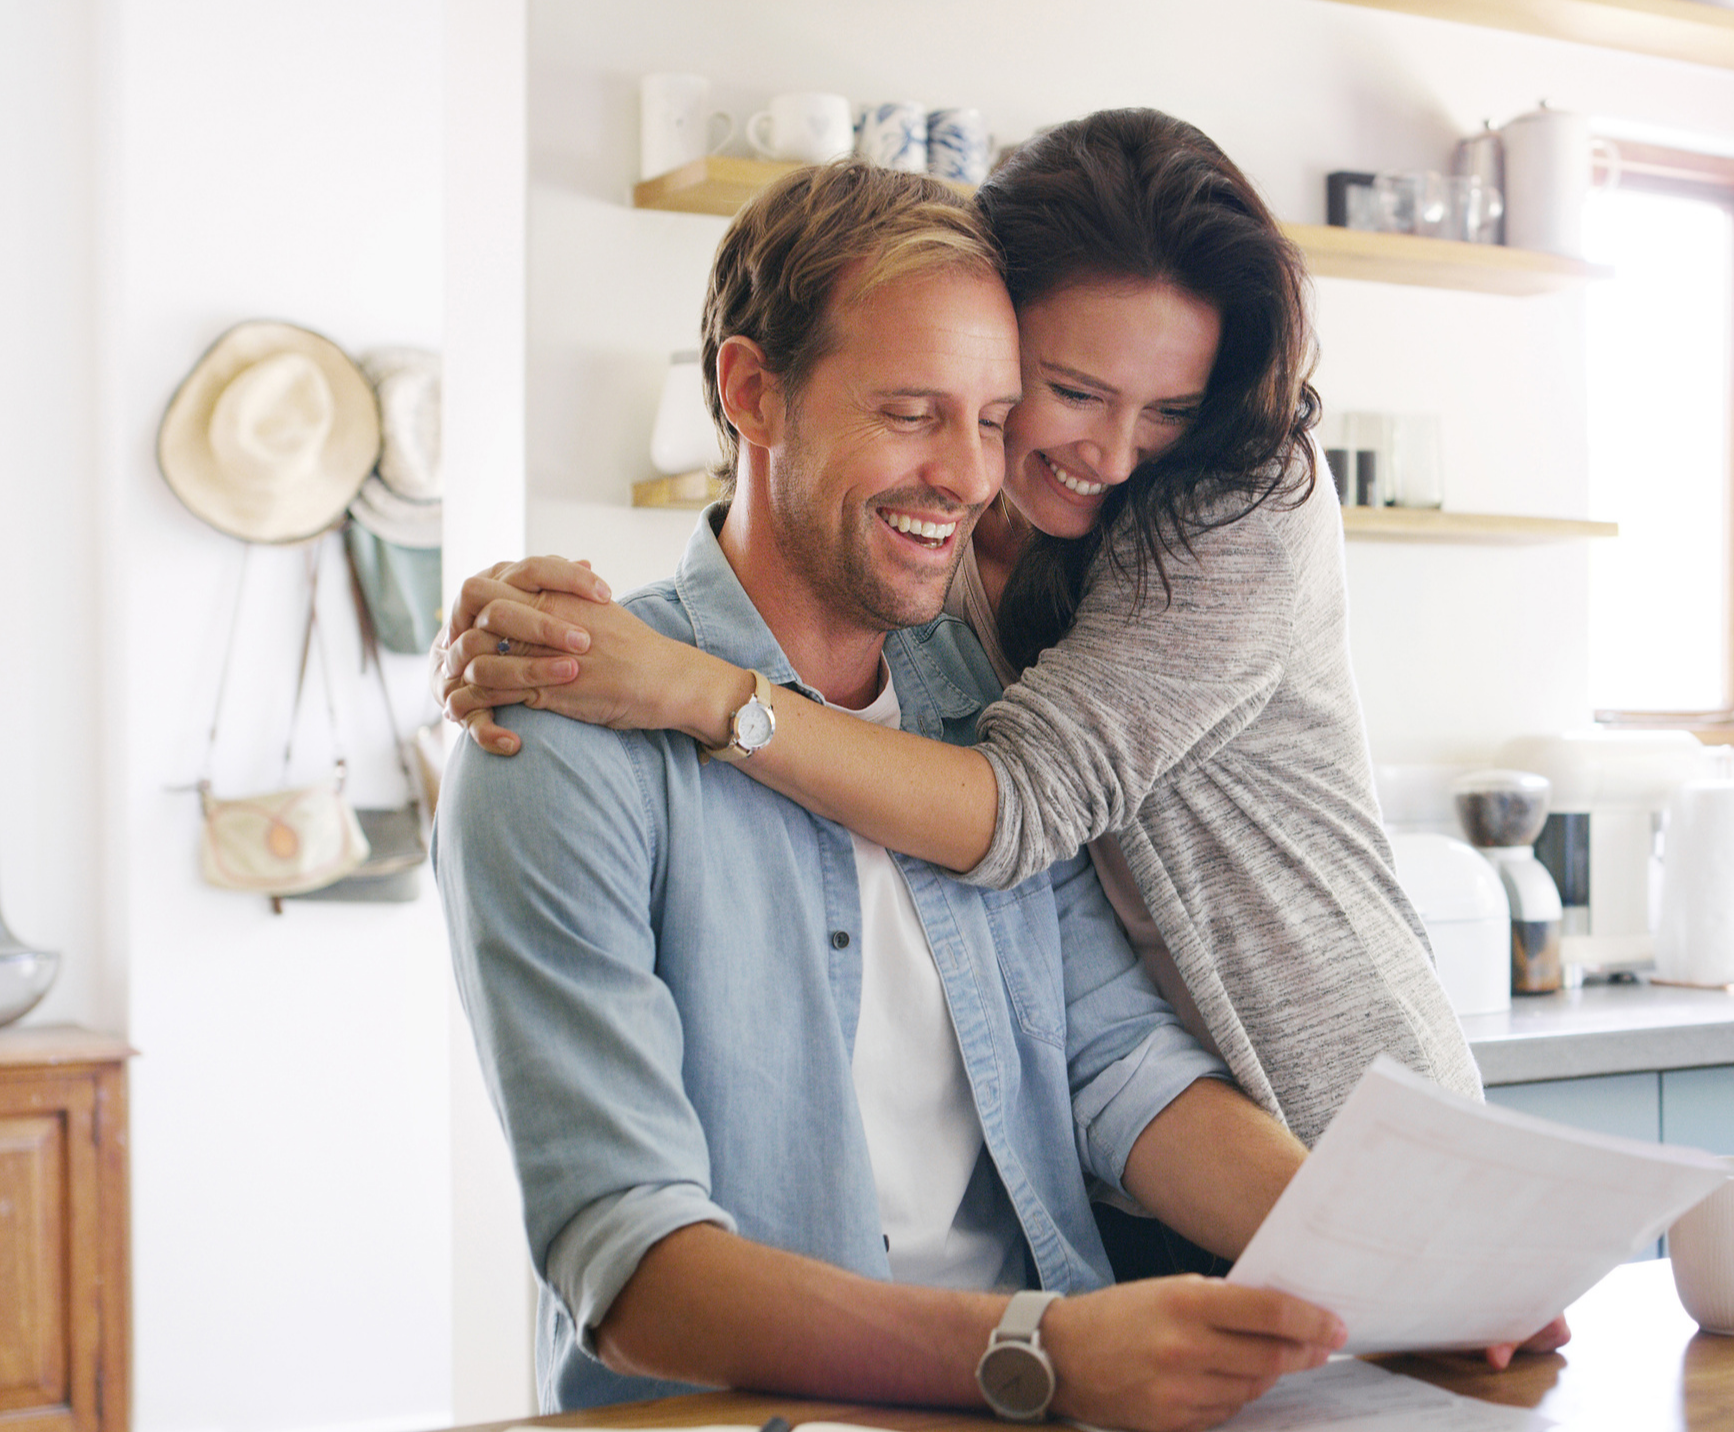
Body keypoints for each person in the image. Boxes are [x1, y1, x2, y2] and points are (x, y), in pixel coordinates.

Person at [435, 160, 1350, 1432]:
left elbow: (1115, 1063)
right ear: (752, 392)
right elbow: (630, 1261)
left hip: (1039, 1430)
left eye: (993, 416)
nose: (970, 475)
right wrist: (1044, 1350)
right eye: (913, 412)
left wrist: (1385, 1263)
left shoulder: (977, 708)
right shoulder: (561, 738)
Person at [435, 109, 1484, 1159]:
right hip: (1130, 1157)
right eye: (1070, 392)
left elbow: (1021, 803)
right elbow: (793, 525)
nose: (1118, 455)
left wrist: (692, 687)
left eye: (1169, 407)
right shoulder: (946, 541)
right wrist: (528, 622)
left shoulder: (1238, 511)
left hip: (1341, 1114)